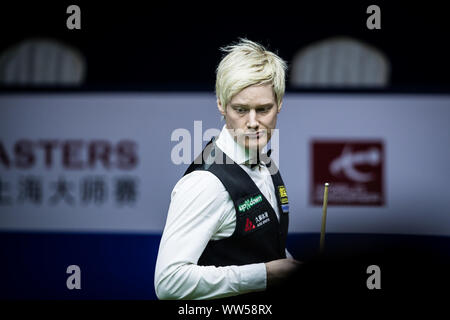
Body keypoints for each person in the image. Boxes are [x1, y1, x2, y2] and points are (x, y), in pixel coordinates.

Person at [154, 38, 301, 300]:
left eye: (263, 109)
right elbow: (168, 282)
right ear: (221, 105)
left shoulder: (265, 161)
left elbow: (262, 250)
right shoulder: (205, 184)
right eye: (241, 110)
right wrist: (265, 275)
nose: (253, 122)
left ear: (279, 103)